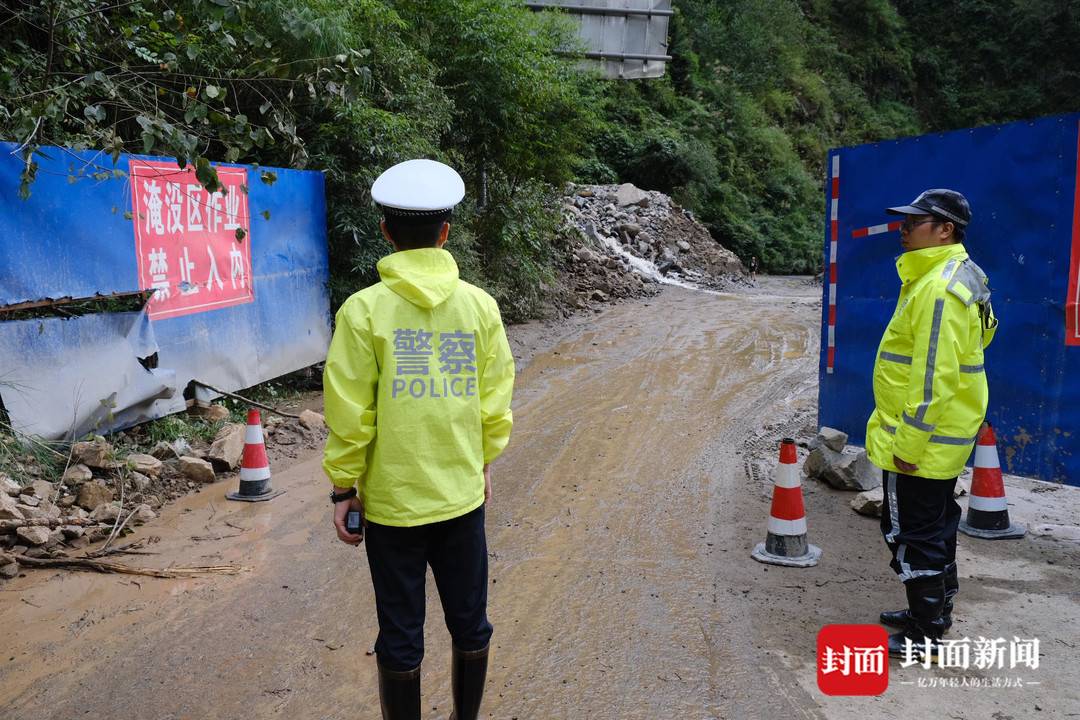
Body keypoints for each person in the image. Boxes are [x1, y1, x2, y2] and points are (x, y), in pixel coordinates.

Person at [322, 159, 515, 719]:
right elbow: (494, 399)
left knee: (400, 631)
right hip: (460, 496)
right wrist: (481, 460)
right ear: (446, 232)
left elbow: (351, 412)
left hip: (391, 504)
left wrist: (343, 489)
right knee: (470, 621)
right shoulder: (479, 307)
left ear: (385, 232)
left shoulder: (363, 312)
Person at [865, 188, 997, 659]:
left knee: (910, 533)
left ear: (946, 230)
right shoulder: (962, 274)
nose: (903, 228)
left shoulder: (939, 286)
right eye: (904, 221)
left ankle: (924, 635)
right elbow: (984, 336)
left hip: (921, 443)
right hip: (947, 436)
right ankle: (933, 613)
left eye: (915, 221)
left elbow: (933, 377)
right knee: (937, 526)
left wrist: (909, 442)